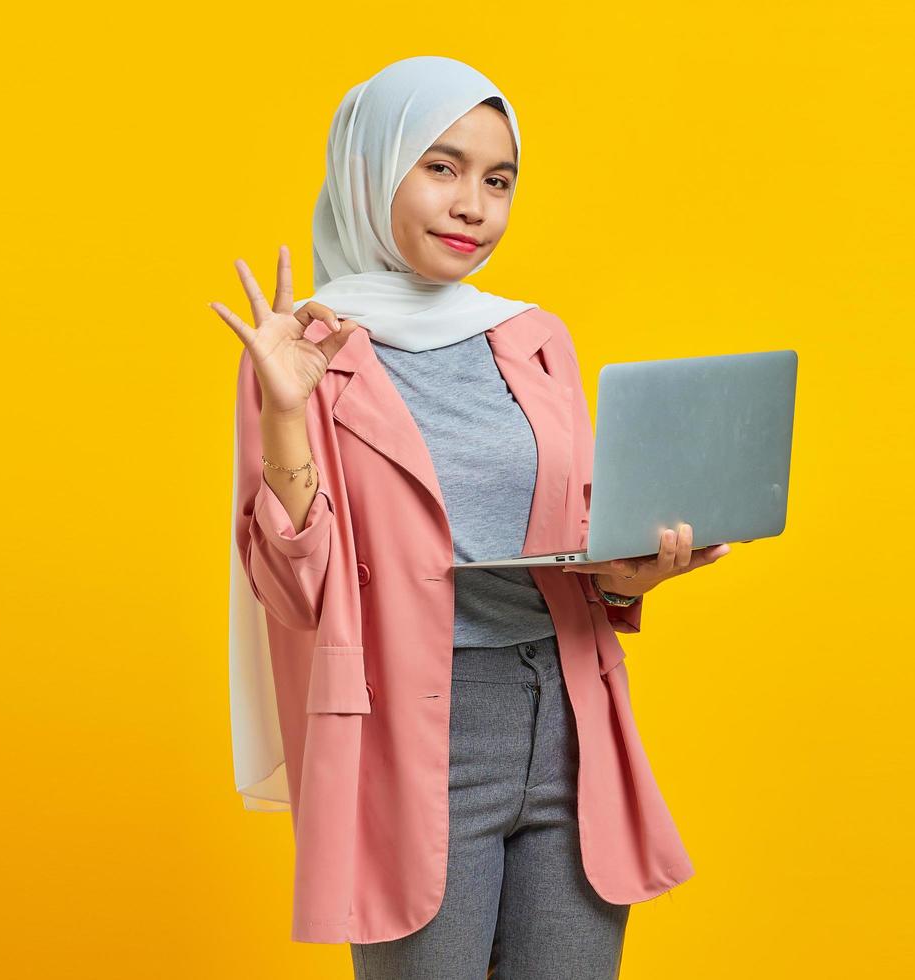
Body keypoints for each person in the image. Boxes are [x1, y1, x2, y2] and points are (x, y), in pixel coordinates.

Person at [211, 56, 730, 978]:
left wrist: (629, 572)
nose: (474, 206)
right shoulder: (302, 347)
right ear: (375, 169)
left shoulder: (533, 335)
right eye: (441, 168)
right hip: (415, 730)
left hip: (566, 717)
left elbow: (572, 531)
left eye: (498, 180)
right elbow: (293, 589)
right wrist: (286, 410)